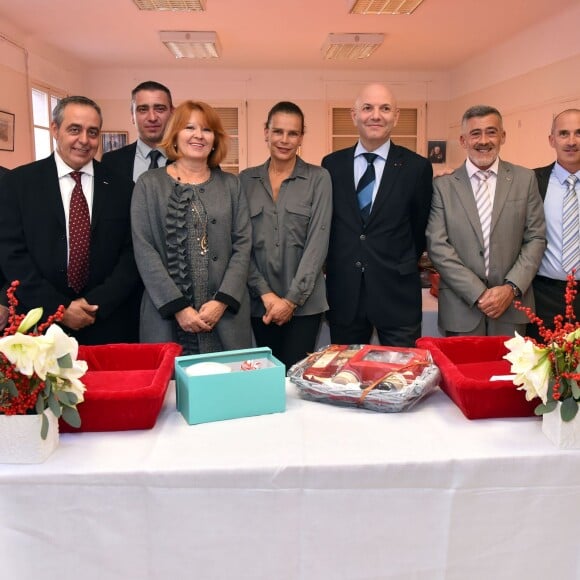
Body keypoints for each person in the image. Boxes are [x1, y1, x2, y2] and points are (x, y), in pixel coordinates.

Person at [0, 96, 141, 344]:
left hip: (106, 323)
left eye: (93, 132)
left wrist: (94, 304)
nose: (84, 140)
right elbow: (12, 255)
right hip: (39, 326)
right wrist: (60, 308)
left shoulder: (123, 188)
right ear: (55, 129)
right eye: (74, 129)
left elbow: (131, 256)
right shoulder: (17, 184)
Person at [131, 100, 252, 354]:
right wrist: (178, 308)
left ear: (215, 139)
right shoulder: (149, 184)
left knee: (228, 386)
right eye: (189, 128)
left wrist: (221, 302)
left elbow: (243, 245)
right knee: (174, 390)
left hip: (224, 315)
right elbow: (144, 249)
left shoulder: (232, 185)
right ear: (174, 135)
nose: (199, 135)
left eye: (207, 130)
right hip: (167, 316)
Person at [321, 83, 433, 347]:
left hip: (397, 296)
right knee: (344, 379)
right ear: (354, 115)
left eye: (385, 108)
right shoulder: (331, 165)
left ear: (396, 116)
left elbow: (419, 230)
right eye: (367, 108)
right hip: (345, 296)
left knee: (401, 380)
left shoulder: (416, 168)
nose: (376, 115)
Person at [426, 105, 546, 336]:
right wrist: (478, 293)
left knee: (510, 373)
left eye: (491, 132)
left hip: (512, 308)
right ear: (463, 140)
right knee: (460, 372)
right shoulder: (443, 186)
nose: (483, 140)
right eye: (475, 133)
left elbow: (536, 238)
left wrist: (510, 288)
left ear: (503, 136)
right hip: (461, 309)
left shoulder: (525, 179)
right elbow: (438, 246)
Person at [240, 102, 332, 368]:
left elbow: (318, 244)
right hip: (259, 304)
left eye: (293, 133)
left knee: (296, 380)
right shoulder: (244, 181)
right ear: (265, 132)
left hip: (305, 306)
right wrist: (266, 295)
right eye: (278, 131)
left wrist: (291, 300)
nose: (284, 140)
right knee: (265, 378)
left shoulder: (319, 179)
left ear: (302, 136)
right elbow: (240, 244)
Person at [529, 109, 580, 338]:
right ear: (552, 139)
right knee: (543, 369)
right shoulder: (531, 181)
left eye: (579, 133)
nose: (571, 141)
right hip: (543, 296)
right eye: (563, 133)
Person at [101, 81, 174, 183]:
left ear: (172, 113)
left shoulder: (187, 159)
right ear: (132, 116)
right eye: (143, 110)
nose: (152, 118)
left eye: (160, 109)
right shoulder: (111, 162)